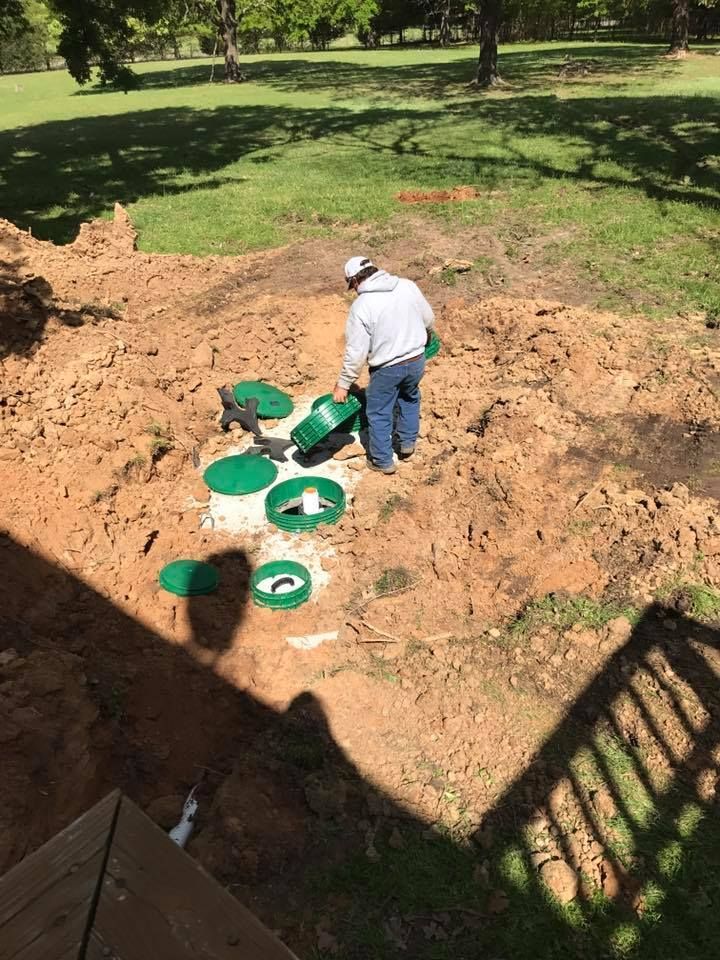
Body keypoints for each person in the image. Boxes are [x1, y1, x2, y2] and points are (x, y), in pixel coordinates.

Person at [333, 257, 435, 475]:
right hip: (416, 359)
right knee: (409, 397)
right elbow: (427, 318)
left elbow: (356, 351)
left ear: (355, 281)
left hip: (387, 367)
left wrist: (344, 383)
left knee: (379, 411)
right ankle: (407, 445)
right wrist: (422, 336)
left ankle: (382, 460)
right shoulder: (407, 286)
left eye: (352, 286)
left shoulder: (362, 306)